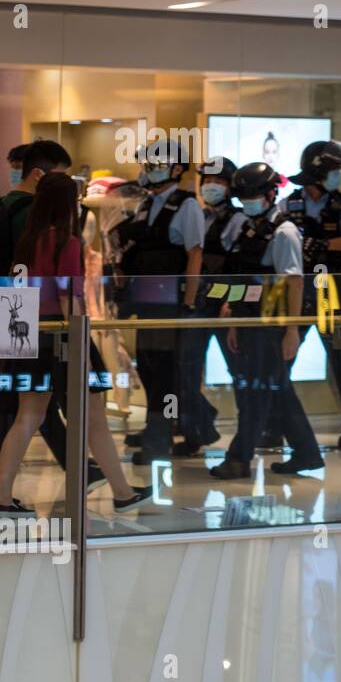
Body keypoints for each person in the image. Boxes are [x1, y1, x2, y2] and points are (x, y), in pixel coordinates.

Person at [0, 172, 152, 518]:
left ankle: (1, 496)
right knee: (94, 419)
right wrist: (82, 351)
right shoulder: (67, 242)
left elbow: (16, 293)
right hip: (64, 335)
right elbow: (68, 299)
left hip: (27, 332)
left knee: (27, 417)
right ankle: (121, 492)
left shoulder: (27, 241)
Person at [0, 141, 102, 507]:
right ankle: (80, 468)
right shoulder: (34, 217)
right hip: (33, 313)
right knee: (25, 400)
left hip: (14, 307)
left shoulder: (3, 207)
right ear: (41, 174)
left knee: (23, 398)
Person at [210, 162, 322, 479]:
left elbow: (294, 283)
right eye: (244, 195)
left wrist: (291, 331)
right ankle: (307, 453)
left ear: (271, 193)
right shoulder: (247, 227)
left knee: (257, 390)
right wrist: (233, 319)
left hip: (273, 324)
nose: (249, 200)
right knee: (275, 388)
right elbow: (240, 278)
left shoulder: (284, 232)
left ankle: (239, 458)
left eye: (255, 194)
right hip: (250, 321)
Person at [112, 138, 204, 465]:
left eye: (156, 164)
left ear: (176, 168)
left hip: (170, 303)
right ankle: (171, 426)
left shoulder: (186, 205)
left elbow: (194, 254)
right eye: (147, 164)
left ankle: (161, 436)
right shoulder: (146, 204)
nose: (148, 170)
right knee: (149, 367)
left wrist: (189, 301)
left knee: (165, 372)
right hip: (147, 300)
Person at [283, 140, 341, 449]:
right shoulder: (288, 204)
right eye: (334, 171)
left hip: (332, 292)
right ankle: (274, 426)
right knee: (282, 359)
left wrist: (325, 246)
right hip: (296, 290)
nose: (338, 177)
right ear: (318, 172)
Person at [175, 156, 247, 457]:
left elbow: (243, 267)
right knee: (184, 368)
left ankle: (251, 434)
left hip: (229, 300)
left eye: (218, 181)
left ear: (230, 186)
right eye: (207, 181)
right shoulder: (198, 215)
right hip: (200, 300)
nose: (211, 186)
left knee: (239, 371)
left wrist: (232, 302)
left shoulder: (239, 220)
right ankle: (198, 428)